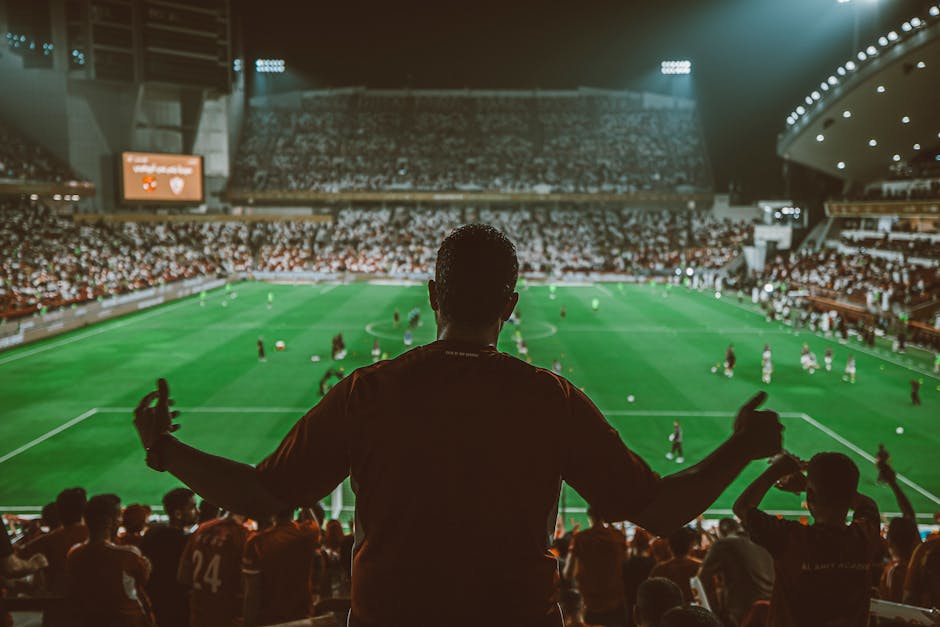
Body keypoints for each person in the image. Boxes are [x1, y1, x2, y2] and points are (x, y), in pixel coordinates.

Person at [132, 224, 785, 626]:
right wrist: (741, 446)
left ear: (432, 297)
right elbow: (662, 509)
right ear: (512, 305)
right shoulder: (549, 398)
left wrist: (163, 448)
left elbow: (258, 495)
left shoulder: (370, 391)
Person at [733, 452, 881, 627]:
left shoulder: (789, 537)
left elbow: (742, 507)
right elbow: (867, 504)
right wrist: (814, 485)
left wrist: (778, 470)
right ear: (850, 497)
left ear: (810, 497)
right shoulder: (864, 536)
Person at [67, 494, 153, 627]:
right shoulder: (128, 554)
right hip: (129, 621)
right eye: (119, 515)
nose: (121, 520)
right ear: (108, 521)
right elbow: (143, 580)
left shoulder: (74, 553)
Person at [20, 486, 88, 625]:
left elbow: (13, 563)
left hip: (56, 611)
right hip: (89, 610)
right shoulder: (97, 538)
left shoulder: (44, 542)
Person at [242, 508, 319, 627]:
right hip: (302, 618)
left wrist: (248, 623)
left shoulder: (257, 542)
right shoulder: (306, 533)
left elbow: (252, 594)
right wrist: (304, 502)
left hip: (269, 619)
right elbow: (315, 523)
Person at [178, 509, 250, 627]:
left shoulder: (200, 529)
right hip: (227, 617)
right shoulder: (244, 536)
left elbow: (183, 576)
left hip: (198, 614)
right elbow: (248, 587)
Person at [697, 518, 774, 626]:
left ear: (722, 533)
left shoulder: (724, 544)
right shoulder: (763, 544)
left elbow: (701, 578)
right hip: (772, 610)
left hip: (743, 613)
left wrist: (715, 611)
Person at [140, 487, 198, 627]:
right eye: (192, 507)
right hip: (176, 607)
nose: (197, 512)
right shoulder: (184, 541)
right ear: (178, 513)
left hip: (153, 601)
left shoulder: (152, 533)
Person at [564, 508, 627, 627]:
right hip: (616, 603)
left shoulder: (581, 538)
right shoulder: (618, 536)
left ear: (589, 517)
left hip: (591, 603)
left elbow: (568, 573)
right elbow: (624, 565)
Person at [649, 527, 701, 603]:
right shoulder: (699, 567)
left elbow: (650, 595)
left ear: (669, 546)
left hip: (668, 612)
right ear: (690, 546)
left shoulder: (659, 570)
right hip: (696, 612)